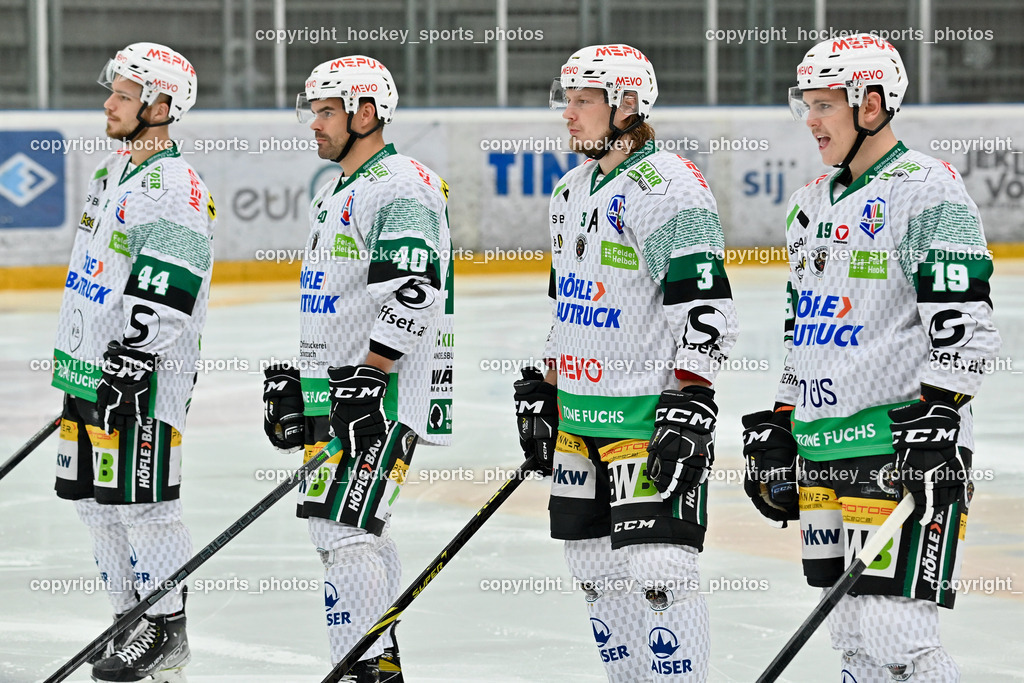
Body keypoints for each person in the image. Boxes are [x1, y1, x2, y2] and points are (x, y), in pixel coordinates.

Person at [742, 34, 1000, 681]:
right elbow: (804, 329)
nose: (811, 119)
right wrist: (782, 419)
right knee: (852, 636)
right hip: (824, 447)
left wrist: (937, 424)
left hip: (898, 452)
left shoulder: (926, 191)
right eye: (807, 102)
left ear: (873, 104)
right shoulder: (807, 205)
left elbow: (967, 329)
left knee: (898, 637)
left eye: (825, 103)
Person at [514, 44, 739, 681]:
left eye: (583, 100)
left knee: (660, 574)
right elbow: (568, 302)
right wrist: (547, 384)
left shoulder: (668, 184)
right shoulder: (570, 189)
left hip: (645, 415)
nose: (569, 113)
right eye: (567, 99)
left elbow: (703, 304)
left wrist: (693, 396)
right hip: (578, 423)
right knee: (594, 572)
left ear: (628, 105)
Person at [261, 55, 454, 683]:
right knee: (348, 529)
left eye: (326, 111)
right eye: (313, 111)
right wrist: (305, 377)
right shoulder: (341, 189)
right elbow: (338, 301)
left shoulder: (398, 184)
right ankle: (378, 659)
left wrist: (370, 375)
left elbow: (415, 294)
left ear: (365, 113)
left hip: (380, 394)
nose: (314, 124)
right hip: (342, 391)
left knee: (343, 528)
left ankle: (369, 667)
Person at [51, 42, 214, 682]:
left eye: (122, 94)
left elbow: (171, 283)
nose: (108, 103)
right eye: (113, 91)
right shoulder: (113, 172)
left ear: (161, 105)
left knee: (145, 505)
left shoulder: (175, 186)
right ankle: (129, 620)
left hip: (141, 377)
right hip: (90, 368)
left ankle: (165, 628)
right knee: (96, 504)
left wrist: (132, 355)